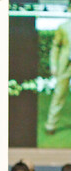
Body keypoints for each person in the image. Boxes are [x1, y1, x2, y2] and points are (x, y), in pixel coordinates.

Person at [47, 5, 71, 135]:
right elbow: (55, 47)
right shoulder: (63, 27)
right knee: (59, 94)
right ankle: (51, 125)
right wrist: (54, 65)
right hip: (65, 65)